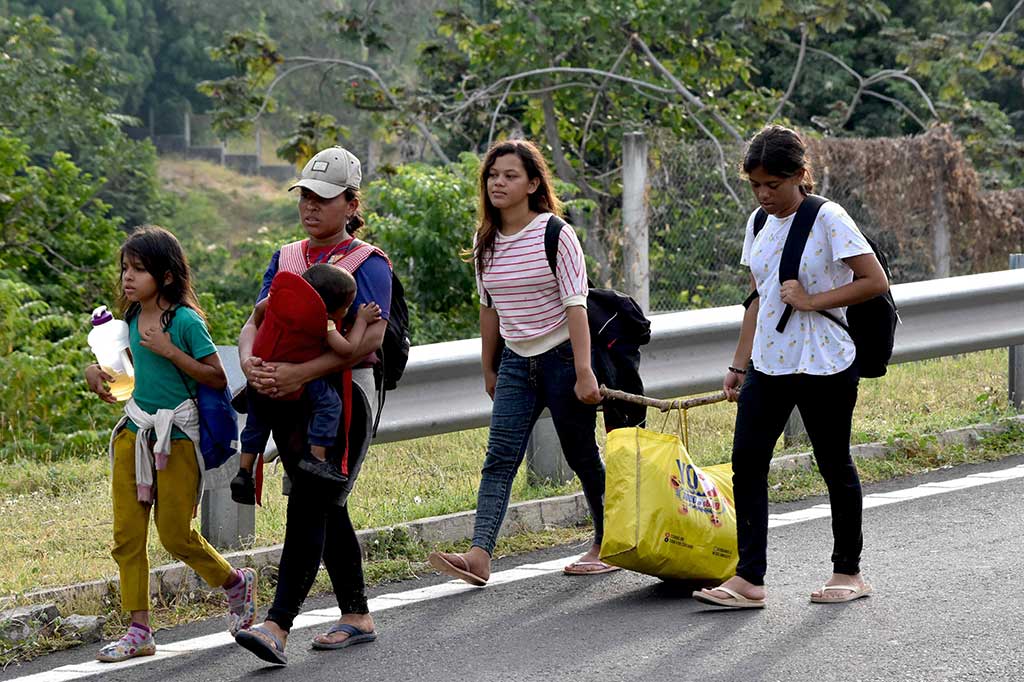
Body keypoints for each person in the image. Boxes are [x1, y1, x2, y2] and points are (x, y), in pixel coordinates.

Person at [693, 125, 889, 609]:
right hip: (769, 362)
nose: (764, 195)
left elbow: (874, 281)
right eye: (755, 185)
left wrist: (813, 299)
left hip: (825, 360)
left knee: (833, 463)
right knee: (747, 462)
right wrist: (739, 366)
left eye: (773, 185)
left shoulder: (828, 217)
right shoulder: (758, 223)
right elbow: (758, 297)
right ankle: (749, 579)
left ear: (800, 175)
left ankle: (848, 571)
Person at [426, 139, 615, 585]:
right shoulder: (485, 239)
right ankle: (479, 556)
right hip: (515, 360)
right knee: (500, 457)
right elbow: (489, 307)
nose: (499, 183)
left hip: (564, 357)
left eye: (510, 176)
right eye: (493, 175)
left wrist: (585, 371)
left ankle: (608, 539)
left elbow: (576, 306)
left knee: (581, 453)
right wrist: (488, 367)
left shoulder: (556, 233)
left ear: (532, 184)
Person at [233, 146, 389, 665]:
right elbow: (256, 320)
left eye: (323, 198)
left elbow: (369, 344)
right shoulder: (286, 256)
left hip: (344, 398)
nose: (310, 207)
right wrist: (250, 362)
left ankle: (277, 626)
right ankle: (357, 615)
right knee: (325, 501)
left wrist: (300, 372)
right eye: (305, 196)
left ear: (351, 203)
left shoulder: (369, 264)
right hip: (285, 397)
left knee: (310, 498)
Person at [83, 226, 256, 662]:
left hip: (176, 440)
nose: (127, 277)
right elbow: (127, 373)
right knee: (126, 536)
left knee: (176, 534)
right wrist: (96, 374)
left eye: (138, 269)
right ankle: (139, 630)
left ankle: (235, 582)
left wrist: (170, 350)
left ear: (164, 275)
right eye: (124, 268)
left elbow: (219, 376)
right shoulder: (127, 320)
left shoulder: (182, 321)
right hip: (134, 434)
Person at [231, 264, 381, 502]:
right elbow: (347, 349)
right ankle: (317, 458)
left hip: (259, 377)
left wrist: (248, 362)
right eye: (346, 306)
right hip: (293, 378)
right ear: (331, 309)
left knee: (257, 424)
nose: (348, 310)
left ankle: (244, 471)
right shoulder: (323, 321)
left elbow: (254, 319)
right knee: (330, 404)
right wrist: (361, 320)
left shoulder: (274, 303)